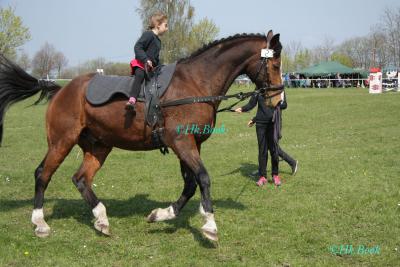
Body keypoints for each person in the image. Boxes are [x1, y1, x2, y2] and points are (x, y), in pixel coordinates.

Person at [235, 92, 282, 187]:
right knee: (262, 151)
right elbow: (251, 104)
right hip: (260, 124)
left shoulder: (276, 89)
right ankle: (262, 176)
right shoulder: (258, 91)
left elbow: (284, 105)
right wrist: (242, 109)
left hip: (273, 124)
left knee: (274, 150)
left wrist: (278, 102)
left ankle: (275, 175)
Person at [126, 12, 168, 111]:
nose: (167, 28)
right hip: (141, 65)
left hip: (150, 69)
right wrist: (146, 59)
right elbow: (138, 47)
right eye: (165, 25)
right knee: (139, 76)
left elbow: (156, 59)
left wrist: (160, 66)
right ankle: (132, 100)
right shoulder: (148, 34)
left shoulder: (158, 41)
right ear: (158, 25)